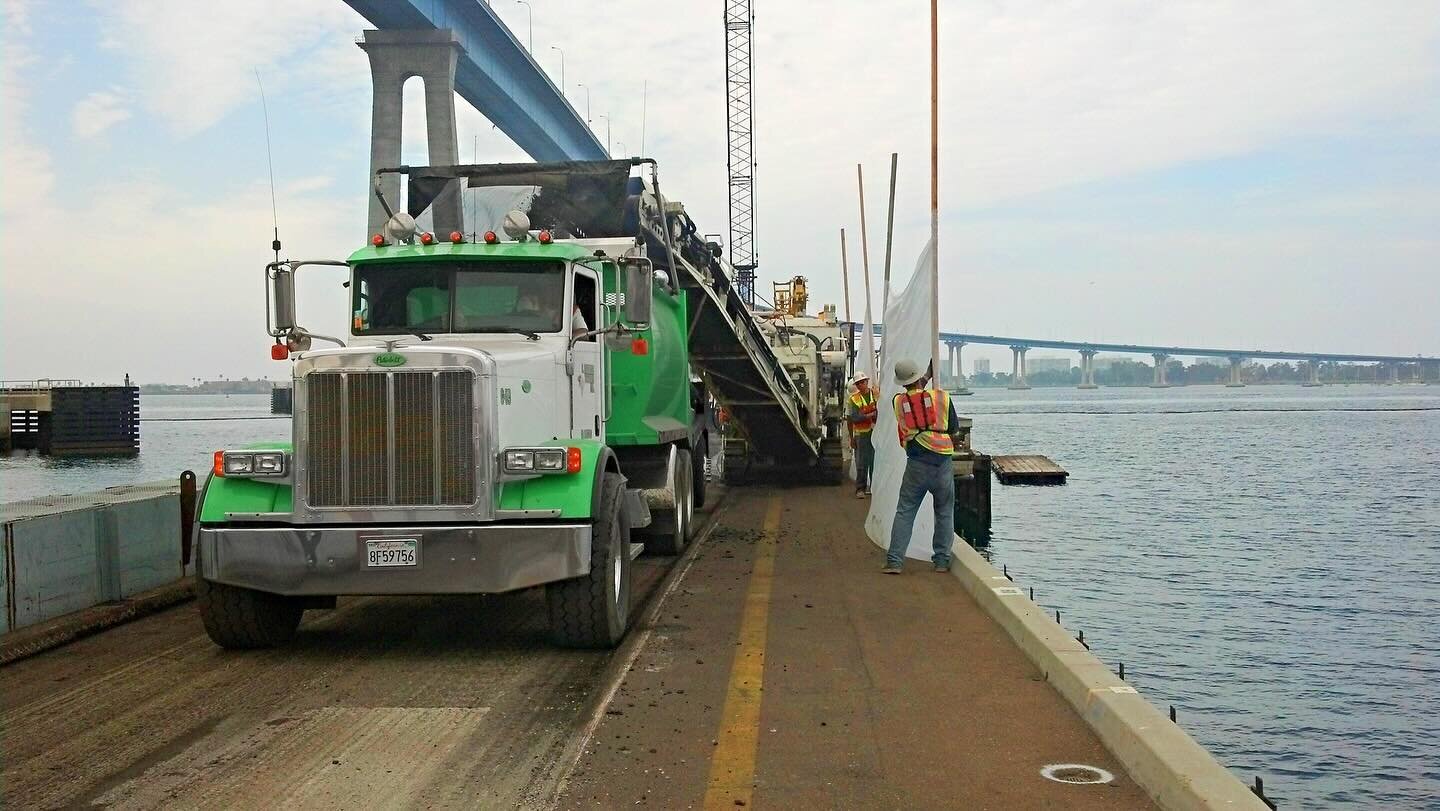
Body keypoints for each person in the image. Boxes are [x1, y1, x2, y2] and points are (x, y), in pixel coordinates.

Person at [883, 358, 961, 574]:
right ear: (919, 377)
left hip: (916, 463)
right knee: (944, 511)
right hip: (942, 462)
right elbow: (954, 428)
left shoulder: (898, 402)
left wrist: (925, 376)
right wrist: (928, 374)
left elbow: (915, 395)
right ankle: (942, 561)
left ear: (901, 382)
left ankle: (895, 561)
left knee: (905, 511)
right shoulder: (941, 398)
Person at [847, 373, 877, 498]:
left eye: (862, 382)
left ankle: (874, 486)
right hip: (862, 434)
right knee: (862, 463)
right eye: (858, 383)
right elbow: (854, 418)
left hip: (875, 433)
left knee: (874, 462)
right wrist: (869, 416)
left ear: (866, 382)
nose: (860, 385)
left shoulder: (875, 394)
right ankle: (860, 489)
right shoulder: (854, 399)